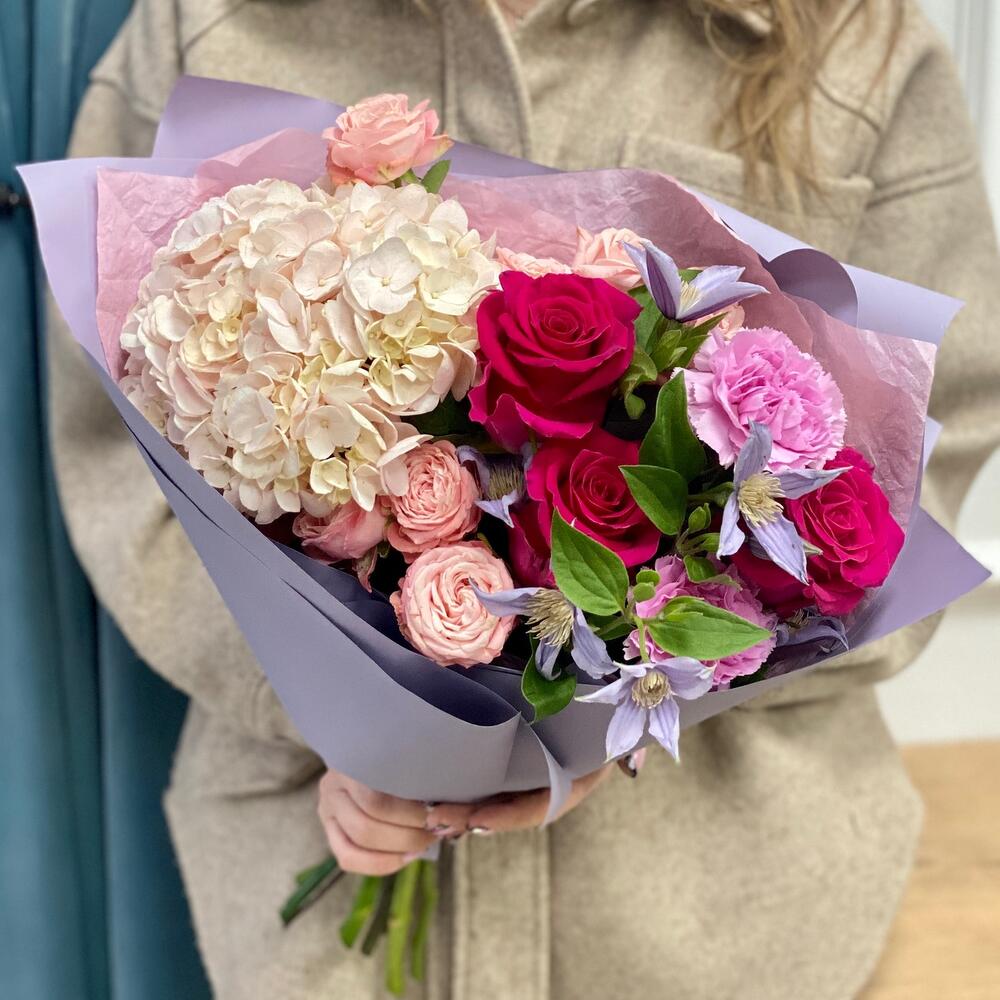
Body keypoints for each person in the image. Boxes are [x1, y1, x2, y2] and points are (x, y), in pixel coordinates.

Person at [47, 1, 1000, 998]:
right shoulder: (208, 19)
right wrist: (353, 718)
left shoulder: (851, 41)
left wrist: (627, 704)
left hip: (725, 916)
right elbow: (119, 460)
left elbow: (936, 446)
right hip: (325, 904)